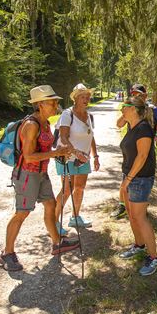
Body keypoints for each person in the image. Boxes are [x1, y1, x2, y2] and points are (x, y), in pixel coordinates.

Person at [0, 85, 79, 271]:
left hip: (41, 173)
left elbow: (43, 149)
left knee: (50, 205)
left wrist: (58, 153)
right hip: (27, 175)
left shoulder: (45, 123)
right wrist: (55, 153)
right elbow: (28, 155)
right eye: (52, 102)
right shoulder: (31, 125)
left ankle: (57, 243)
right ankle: (6, 253)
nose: (55, 105)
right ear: (40, 104)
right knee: (22, 213)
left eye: (56, 101)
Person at [111, 84, 157, 219]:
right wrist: (126, 110)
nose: (136, 96)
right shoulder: (131, 108)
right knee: (126, 176)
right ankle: (123, 206)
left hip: (145, 147)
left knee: (142, 175)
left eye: (139, 94)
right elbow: (119, 124)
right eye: (133, 94)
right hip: (131, 147)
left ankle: (140, 208)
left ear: (145, 96)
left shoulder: (152, 110)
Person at [118, 96, 157, 276]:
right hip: (130, 176)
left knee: (139, 217)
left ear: (134, 109)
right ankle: (139, 245)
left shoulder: (144, 128)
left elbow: (142, 157)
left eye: (125, 106)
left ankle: (154, 257)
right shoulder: (133, 126)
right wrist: (126, 178)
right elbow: (119, 123)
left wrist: (127, 180)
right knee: (132, 215)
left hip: (140, 179)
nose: (121, 109)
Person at [54, 83, 100, 234]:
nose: (86, 99)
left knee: (80, 188)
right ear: (75, 98)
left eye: (87, 96)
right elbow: (63, 137)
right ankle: (53, 221)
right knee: (67, 189)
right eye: (82, 96)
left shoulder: (89, 116)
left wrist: (95, 156)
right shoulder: (68, 114)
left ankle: (75, 217)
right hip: (67, 157)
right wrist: (75, 152)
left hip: (83, 159)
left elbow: (90, 136)